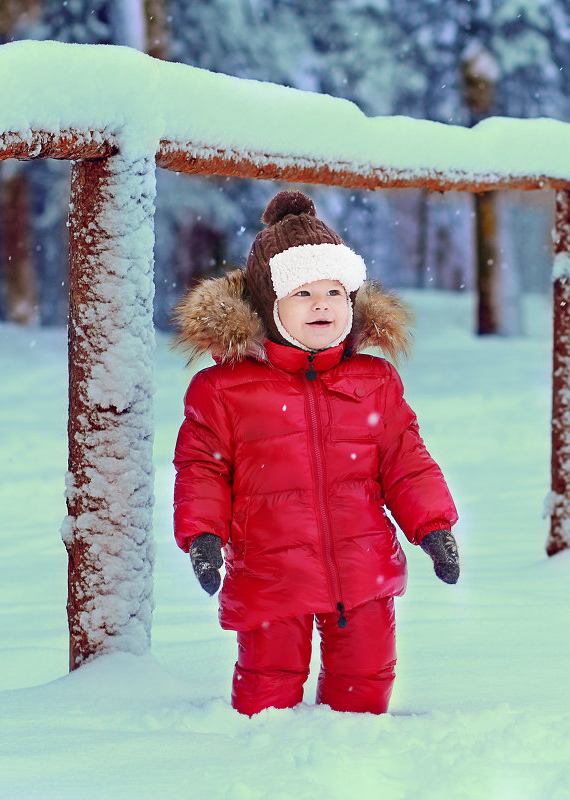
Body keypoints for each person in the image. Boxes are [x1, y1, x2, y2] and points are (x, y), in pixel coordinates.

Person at [171, 190, 460, 716]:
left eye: (334, 290)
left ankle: (359, 768)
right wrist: (203, 535)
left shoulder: (373, 381)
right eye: (302, 294)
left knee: (366, 680)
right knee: (268, 687)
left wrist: (434, 527)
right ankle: (261, 771)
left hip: (363, 563)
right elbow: (202, 469)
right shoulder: (224, 390)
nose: (322, 304)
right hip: (270, 567)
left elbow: (405, 459)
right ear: (267, 306)